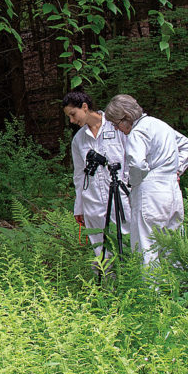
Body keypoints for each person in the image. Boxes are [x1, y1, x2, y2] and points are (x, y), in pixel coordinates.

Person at [103, 94, 188, 268]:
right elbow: (187, 146)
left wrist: (133, 182)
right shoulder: (160, 125)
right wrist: (176, 170)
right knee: (173, 244)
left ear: (126, 118)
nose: (116, 129)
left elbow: (137, 164)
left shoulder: (137, 133)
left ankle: (152, 293)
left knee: (147, 247)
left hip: (150, 194)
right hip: (172, 192)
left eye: (116, 124)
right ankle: (178, 289)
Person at [62, 91, 129, 258]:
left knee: (128, 241)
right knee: (101, 248)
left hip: (121, 197)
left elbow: (130, 160)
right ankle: (107, 282)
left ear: (84, 107)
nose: (72, 120)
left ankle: (132, 279)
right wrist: (79, 206)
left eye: (73, 114)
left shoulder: (117, 127)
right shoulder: (78, 140)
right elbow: (79, 175)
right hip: (93, 199)